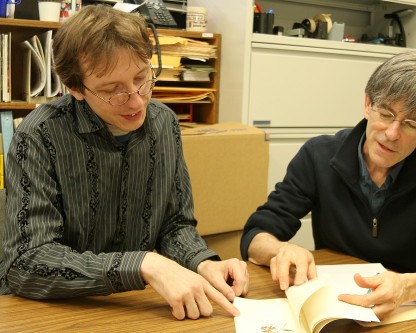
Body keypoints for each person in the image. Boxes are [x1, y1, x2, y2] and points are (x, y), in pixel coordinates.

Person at [0, 5, 248, 320]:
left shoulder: (163, 123)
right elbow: (26, 263)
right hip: (51, 313)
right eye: (112, 90)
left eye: (142, 78)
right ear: (75, 88)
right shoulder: (38, 136)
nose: (136, 100)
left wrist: (202, 262)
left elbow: (174, 223)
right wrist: (144, 264)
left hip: (131, 308)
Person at [240, 51, 416, 319]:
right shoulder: (318, 156)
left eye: (411, 124)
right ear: (368, 104)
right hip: (337, 308)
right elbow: (256, 233)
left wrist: (408, 286)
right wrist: (280, 249)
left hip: (409, 311)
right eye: (386, 113)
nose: (391, 134)